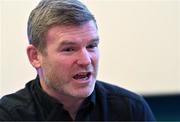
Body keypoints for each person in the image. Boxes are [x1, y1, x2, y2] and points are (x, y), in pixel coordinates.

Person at [0, 0, 156, 121]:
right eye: (69, 49)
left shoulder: (131, 109)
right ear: (35, 56)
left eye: (91, 46)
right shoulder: (8, 116)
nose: (86, 60)